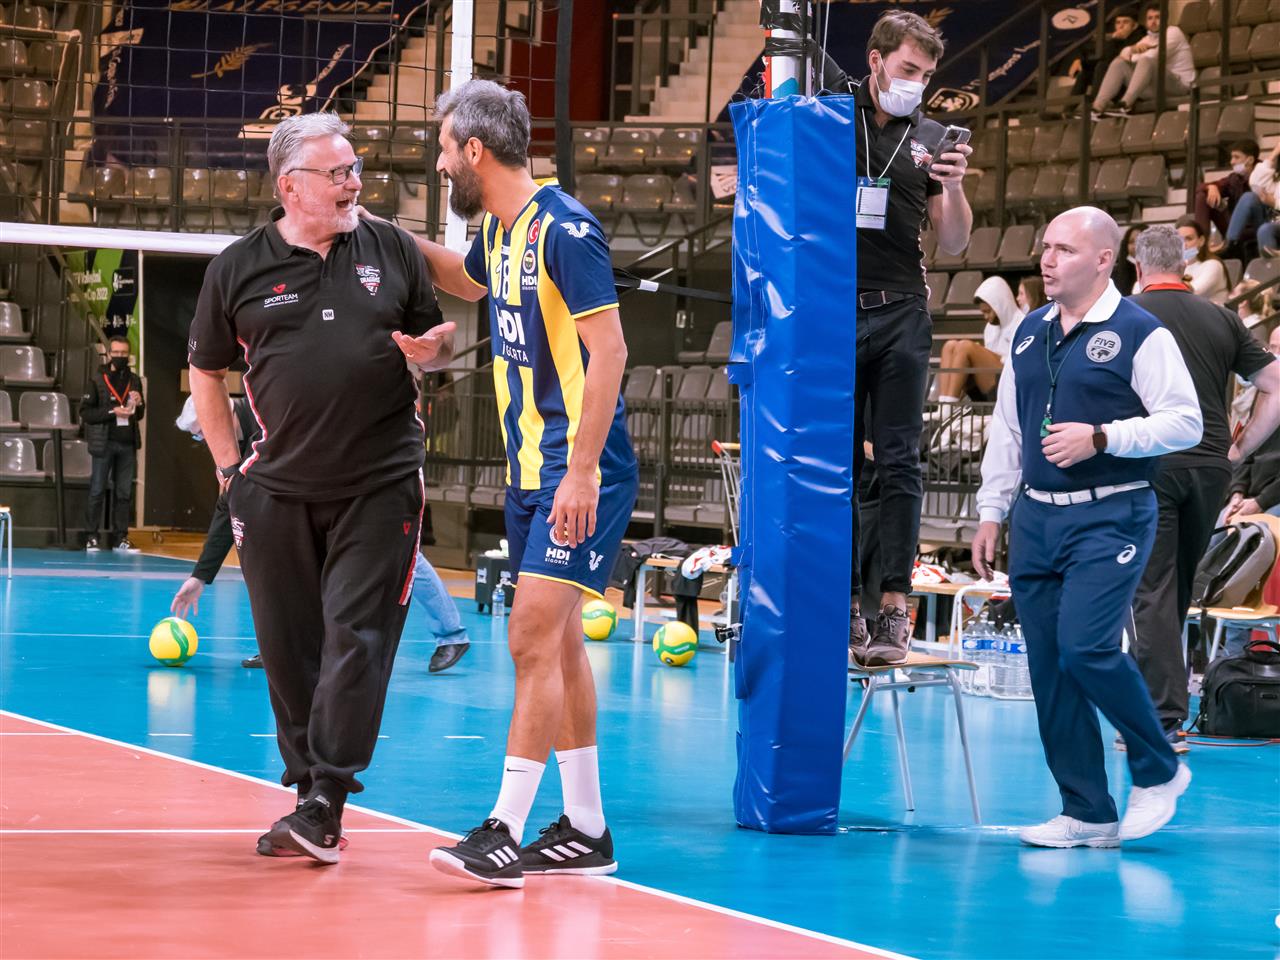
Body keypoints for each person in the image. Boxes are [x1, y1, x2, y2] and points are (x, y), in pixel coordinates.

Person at [187, 112, 456, 864]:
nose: (353, 183)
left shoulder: (392, 247)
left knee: (356, 636)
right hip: (274, 488)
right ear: (290, 187)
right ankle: (310, 790)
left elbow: (439, 340)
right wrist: (227, 471)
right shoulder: (237, 267)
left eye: (354, 169)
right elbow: (205, 371)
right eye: (336, 173)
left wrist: (433, 351)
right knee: (289, 649)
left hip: (381, 482)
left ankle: (327, 798)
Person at [389, 79, 637, 888]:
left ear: (474, 150)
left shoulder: (565, 230)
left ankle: (503, 830)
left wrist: (584, 472)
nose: (438, 166)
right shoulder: (501, 230)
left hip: (578, 471)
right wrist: (379, 235)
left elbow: (611, 352)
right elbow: (468, 283)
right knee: (557, 645)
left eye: (443, 150)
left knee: (529, 637)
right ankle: (587, 828)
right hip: (532, 471)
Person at [973, 206, 1202, 848]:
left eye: (1065, 250)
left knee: (1087, 647)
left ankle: (1160, 767)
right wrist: (992, 510)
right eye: (1046, 247)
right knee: (1049, 667)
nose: (1048, 260)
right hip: (1035, 517)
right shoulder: (1028, 331)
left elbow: (1186, 421)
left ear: (1104, 260)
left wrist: (1103, 436)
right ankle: (1088, 812)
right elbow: (1008, 428)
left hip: (1111, 512)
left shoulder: (1140, 331)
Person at [819, 10, 974, 667]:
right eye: (908, 69)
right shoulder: (830, 117)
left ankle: (893, 607)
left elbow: (954, 240)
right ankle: (845, 605)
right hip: (833, 311)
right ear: (876, 60)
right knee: (840, 464)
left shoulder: (931, 137)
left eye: (927, 74)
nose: (917, 82)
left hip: (902, 310)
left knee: (900, 461)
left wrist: (954, 187)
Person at [171, 396, 473, 674]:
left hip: (367, 473)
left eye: (200, 433)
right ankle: (285, 646)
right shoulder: (236, 442)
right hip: (317, 490)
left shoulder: (267, 416)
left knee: (403, 555)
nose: (204, 440)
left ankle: (452, 635)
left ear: (222, 414)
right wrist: (201, 576)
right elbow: (231, 505)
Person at [1125, 226, 1279, 750]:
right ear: (1185, 265)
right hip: (1210, 466)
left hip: (1151, 462)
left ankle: (1159, 720)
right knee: (1176, 588)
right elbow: (1276, 384)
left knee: (1151, 589)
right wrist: (1241, 447)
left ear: (1138, 266)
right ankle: (1165, 711)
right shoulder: (1223, 318)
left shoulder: (1126, 314)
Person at [80, 336, 145, 552]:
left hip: (127, 443)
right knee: (97, 490)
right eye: (116, 353)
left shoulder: (134, 380)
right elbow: (86, 413)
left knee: (124, 493)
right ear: (108, 354)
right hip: (104, 443)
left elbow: (140, 414)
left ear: (129, 355)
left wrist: (139, 403)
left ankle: (121, 538)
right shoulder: (97, 380)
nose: (120, 356)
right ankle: (91, 536)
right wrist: (111, 411)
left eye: (124, 353)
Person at [1092, 2, 1195, 119]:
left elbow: (1153, 56)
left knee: (1147, 61)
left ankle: (1125, 105)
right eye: (1150, 18)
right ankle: (1097, 108)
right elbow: (1123, 55)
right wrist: (1132, 49)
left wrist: (1136, 54)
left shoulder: (1173, 32)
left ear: (1165, 19)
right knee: (1118, 63)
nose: (1153, 21)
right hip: (1157, 88)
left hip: (1180, 87)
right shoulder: (1147, 38)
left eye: (1157, 17)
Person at [935, 276, 1023, 405]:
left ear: (1000, 305)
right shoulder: (989, 328)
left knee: (966, 346)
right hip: (989, 381)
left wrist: (981, 353)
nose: (986, 317)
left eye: (988, 311)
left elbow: (1020, 362)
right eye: (983, 312)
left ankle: (950, 405)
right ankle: (944, 404)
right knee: (950, 345)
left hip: (1009, 382)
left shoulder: (1022, 323)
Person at [1193, 140, 1262, 258]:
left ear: (1250, 160)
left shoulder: (1265, 173)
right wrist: (1211, 187)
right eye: (1231, 157)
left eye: (1236, 157)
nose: (1232, 162)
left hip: (1257, 226)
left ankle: (1229, 243)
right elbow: (1200, 188)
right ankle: (1202, 247)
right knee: (1203, 196)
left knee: (1248, 198)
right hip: (1234, 227)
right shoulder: (1235, 178)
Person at [1066, 7, 1142, 103]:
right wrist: (1082, 63)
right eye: (1118, 23)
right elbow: (1105, 58)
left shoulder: (1140, 36)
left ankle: (1095, 104)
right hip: (1114, 81)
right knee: (1085, 73)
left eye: (1125, 22)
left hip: (1129, 83)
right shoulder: (1117, 40)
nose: (1121, 26)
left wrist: (1114, 40)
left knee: (1101, 66)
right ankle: (1068, 109)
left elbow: (1115, 60)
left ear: (1134, 26)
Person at [1175, 215, 1229, 304]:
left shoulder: (1213, 265)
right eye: (1179, 240)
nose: (1184, 245)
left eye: (1189, 239)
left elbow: (1192, 293)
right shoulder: (1177, 268)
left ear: (1201, 241)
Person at [1248, 140, 1280, 257]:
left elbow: (1274, 202)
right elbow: (1255, 184)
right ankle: (1272, 265)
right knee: (1265, 230)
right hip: (1275, 223)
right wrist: (1274, 153)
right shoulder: (1277, 182)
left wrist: (1275, 203)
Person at [1112, 225, 1142, 296]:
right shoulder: (1115, 273)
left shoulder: (1158, 272)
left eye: (1140, 241)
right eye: (1131, 242)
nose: (1135, 246)